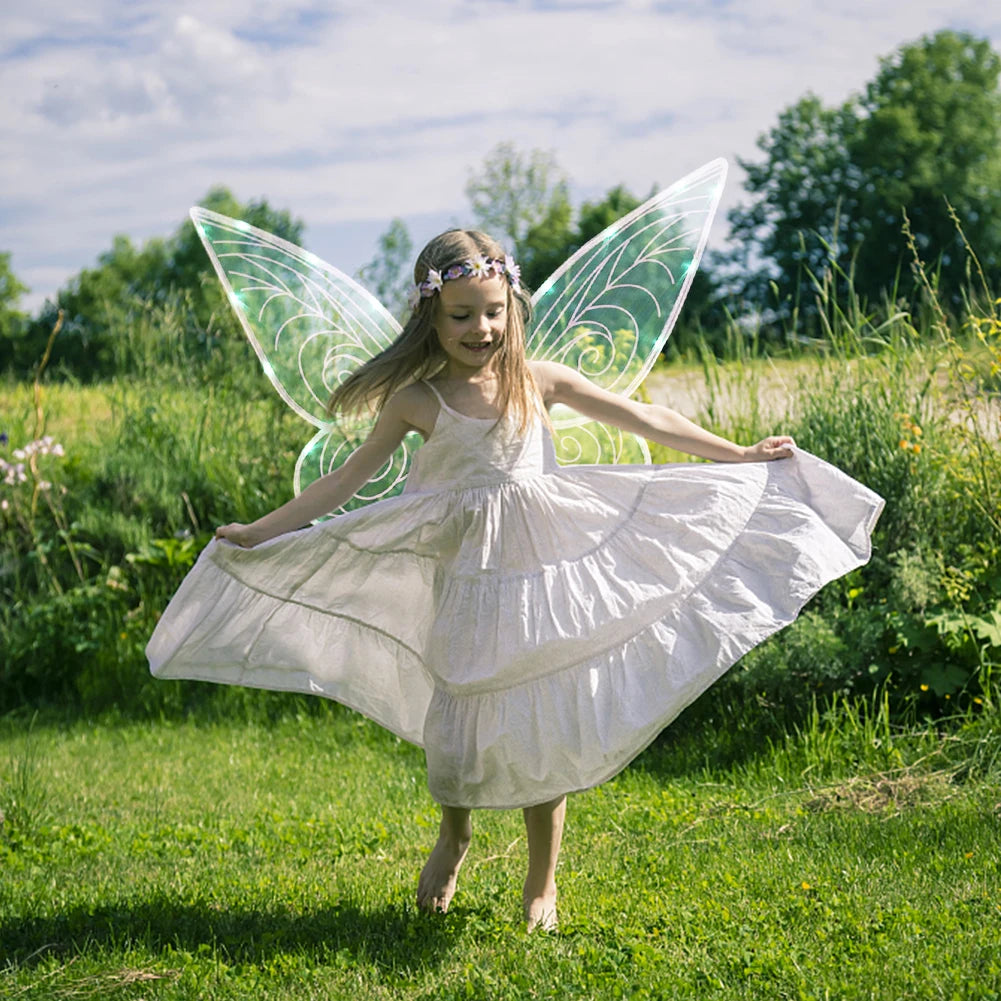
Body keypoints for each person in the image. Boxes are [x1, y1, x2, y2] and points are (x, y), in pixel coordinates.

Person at [148, 228, 882, 932]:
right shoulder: (417, 400)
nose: (481, 329)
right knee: (460, 721)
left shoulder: (539, 382)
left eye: (493, 313)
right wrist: (259, 531)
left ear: (513, 307)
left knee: (542, 720)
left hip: (537, 578)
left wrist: (737, 453)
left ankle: (542, 879)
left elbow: (644, 416)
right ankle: (455, 834)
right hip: (462, 582)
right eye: (461, 315)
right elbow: (345, 480)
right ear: (429, 316)